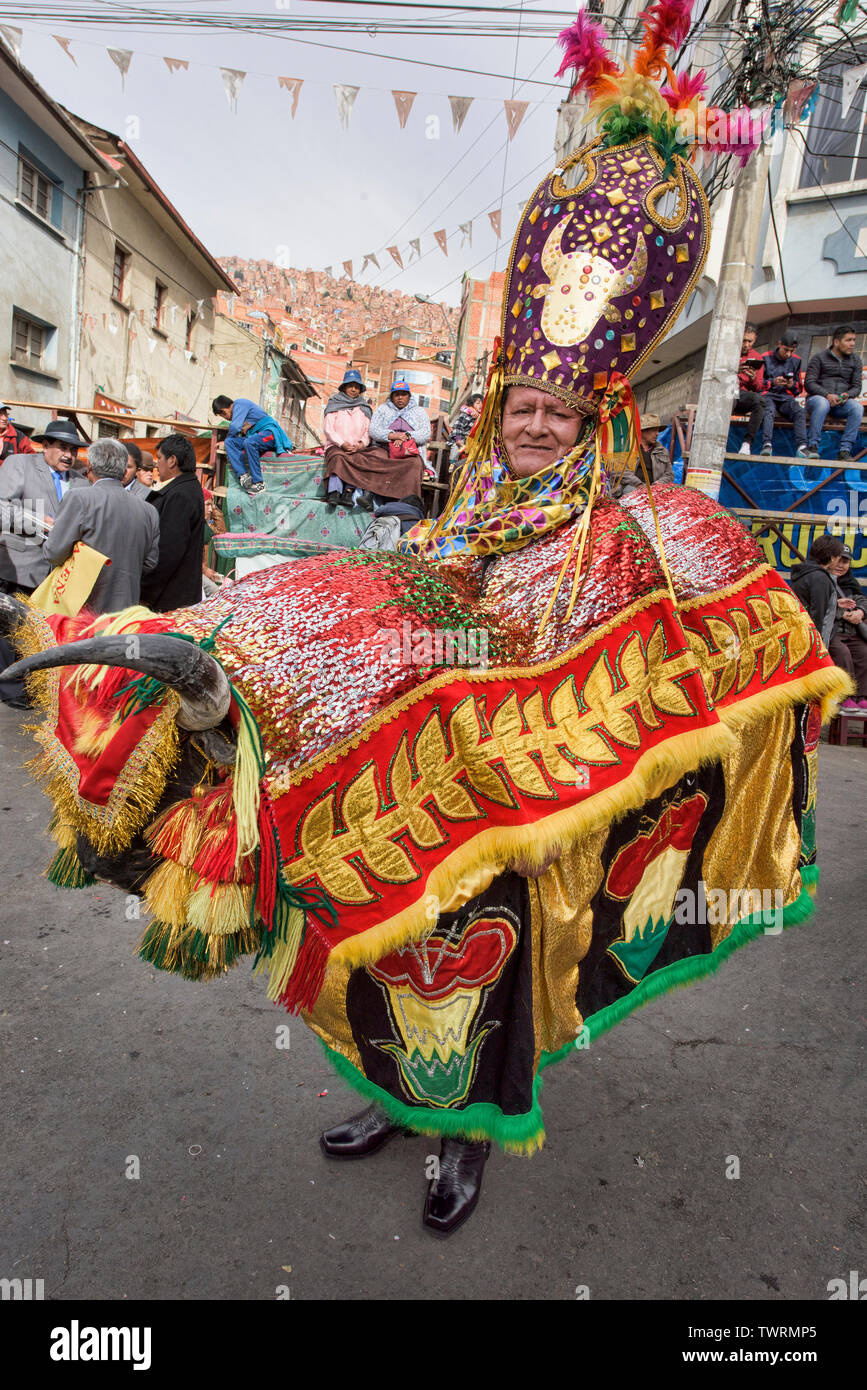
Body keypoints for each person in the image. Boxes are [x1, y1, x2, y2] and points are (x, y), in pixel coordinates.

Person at [1, 7, 850, 1243]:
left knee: (486, 973)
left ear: (594, 416)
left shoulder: (615, 530)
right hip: (409, 787)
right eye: (523, 405)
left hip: (517, 810)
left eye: (562, 409)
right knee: (372, 944)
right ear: (499, 407)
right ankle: (398, 1102)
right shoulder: (453, 520)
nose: (537, 426)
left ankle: (469, 1131)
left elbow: (662, 629)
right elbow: (402, 601)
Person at [42, 439, 160, 615]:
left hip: (80, 609)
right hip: (124, 612)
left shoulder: (79, 498)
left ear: (90, 467)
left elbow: (54, 552)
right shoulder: (149, 511)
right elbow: (150, 562)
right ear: (123, 470)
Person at [0, 418, 89, 592]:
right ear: (46, 446)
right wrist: (39, 521)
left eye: (73, 450)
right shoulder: (20, 464)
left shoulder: (81, 482)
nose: (69, 456)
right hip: (16, 573)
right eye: (63, 448)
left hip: (57, 582)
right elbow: (1, 508)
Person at [140, 433, 205, 612]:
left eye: (159, 458)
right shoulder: (185, 489)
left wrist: (145, 592)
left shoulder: (180, 495)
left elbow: (167, 552)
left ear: (172, 461)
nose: (156, 464)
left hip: (168, 599)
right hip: (174, 595)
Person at [322, 369, 391, 510]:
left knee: (358, 460)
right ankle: (334, 492)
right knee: (338, 458)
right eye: (350, 386)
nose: (353, 389)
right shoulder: (334, 404)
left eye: (356, 386)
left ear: (360, 389)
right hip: (336, 445)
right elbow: (328, 429)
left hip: (356, 447)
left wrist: (361, 444)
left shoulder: (364, 407)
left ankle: (348, 493)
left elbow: (368, 430)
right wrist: (342, 444)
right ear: (344, 387)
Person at [804, 326, 865, 462]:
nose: (853, 344)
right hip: (818, 400)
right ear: (836, 342)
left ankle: (845, 450)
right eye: (848, 340)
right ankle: (812, 446)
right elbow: (809, 383)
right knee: (822, 403)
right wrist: (826, 395)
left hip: (840, 404)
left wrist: (846, 395)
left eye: (854, 340)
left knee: (857, 407)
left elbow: (856, 387)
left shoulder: (856, 361)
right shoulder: (818, 358)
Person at [211, 396, 293, 496]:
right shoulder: (238, 412)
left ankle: (259, 483)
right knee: (230, 442)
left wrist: (227, 438)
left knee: (248, 442)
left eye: (223, 416)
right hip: (255, 437)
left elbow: (235, 427)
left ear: (223, 411)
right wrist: (226, 441)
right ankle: (243, 476)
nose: (226, 418)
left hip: (269, 434)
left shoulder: (240, 404)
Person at [827, 546, 867, 711]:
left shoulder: (851, 583)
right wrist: (841, 613)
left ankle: (861, 696)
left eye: (845, 561)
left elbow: (862, 600)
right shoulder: (822, 581)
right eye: (838, 560)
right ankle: (845, 696)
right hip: (833, 633)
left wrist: (860, 612)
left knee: (864, 652)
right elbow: (817, 606)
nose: (841, 565)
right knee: (842, 653)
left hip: (852, 633)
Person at [760, 330, 806, 457]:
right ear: (779, 344)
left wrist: (791, 385)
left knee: (799, 411)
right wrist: (773, 382)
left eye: (792, 351)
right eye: (786, 350)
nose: (788, 354)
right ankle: (767, 444)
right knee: (768, 410)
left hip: (786, 397)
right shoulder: (765, 357)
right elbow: (757, 385)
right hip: (767, 395)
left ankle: (802, 446)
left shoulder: (797, 360)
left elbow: (798, 389)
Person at [370, 380, 431, 474]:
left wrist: (405, 436)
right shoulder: (382, 409)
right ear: (391, 397)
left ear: (409, 396)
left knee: (414, 465)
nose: (400, 398)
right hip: (384, 449)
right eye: (396, 395)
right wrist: (393, 436)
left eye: (403, 394)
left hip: (410, 451)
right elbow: (373, 430)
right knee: (375, 459)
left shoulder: (420, 412)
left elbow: (425, 433)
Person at [611, 412, 674, 495]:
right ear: (643, 431)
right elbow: (618, 471)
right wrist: (639, 484)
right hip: (630, 486)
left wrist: (658, 484)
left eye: (658, 431)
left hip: (654, 489)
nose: (657, 434)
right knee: (631, 492)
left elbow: (669, 474)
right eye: (654, 430)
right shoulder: (626, 448)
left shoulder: (662, 451)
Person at [735, 324, 766, 456]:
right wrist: (734, 370)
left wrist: (752, 378)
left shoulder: (757, 357)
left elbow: (759, 387)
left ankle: (747, 443)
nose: (747, 345)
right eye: (744, 341)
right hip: (726, 391)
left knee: (760, 401)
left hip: (743, 395)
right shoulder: (727, 352)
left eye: (750, 341)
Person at [449, 393, 484, 465]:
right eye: (477, 403)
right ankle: (452, 464)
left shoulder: (482, 417)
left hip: (474, 442)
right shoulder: (465, 414)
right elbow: (457, 428)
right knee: (455, 447)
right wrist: (458, 439)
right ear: (471, 405)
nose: (480, 405)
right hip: (462, 439)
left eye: (482, 403)